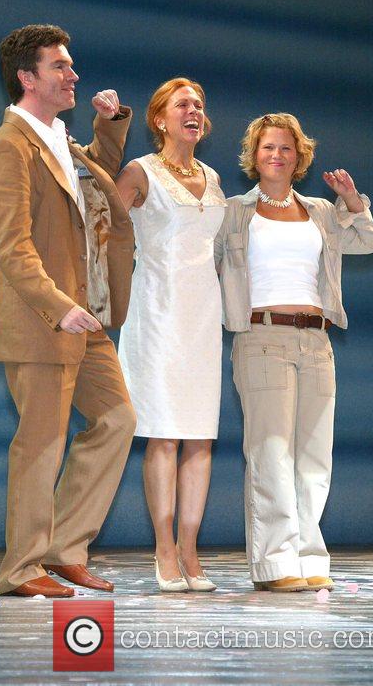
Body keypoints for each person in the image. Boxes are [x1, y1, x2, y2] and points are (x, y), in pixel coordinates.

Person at [0, 24, 136, 597]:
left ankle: (64, 549)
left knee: (117, 420)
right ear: (27, 78)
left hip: (83, 316)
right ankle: (21, 569)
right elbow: (11, 246)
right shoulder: (8, 147)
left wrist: (109, 125)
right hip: (44, 320)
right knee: (41, 442)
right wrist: (58, 306)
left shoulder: (57, 140)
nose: (73, 75)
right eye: (60, 67)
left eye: (70, 65)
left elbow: (92, 178)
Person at [215, 113, 373, 593]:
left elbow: (366, 241)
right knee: (270, 450)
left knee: (313, 454)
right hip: (262, 337)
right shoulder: (234, 212)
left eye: (286, 148)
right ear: (254, 154)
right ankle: (274, 562)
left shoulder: (321, 211)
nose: (277, 156)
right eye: (268, 147)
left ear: (299, 156)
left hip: (317, 340)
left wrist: (351, 200)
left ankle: (309, 555)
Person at [116, 78, 226, 592]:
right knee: (163, 435)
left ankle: (190, 551)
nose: (194, 111)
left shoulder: (213, 175)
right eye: (183, 104)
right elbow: (106, 225)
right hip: (157, 314)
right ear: (159, 118)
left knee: (200, 437)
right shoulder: (141, 171)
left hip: (204, 317)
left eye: (199, 105)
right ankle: (163, 551)